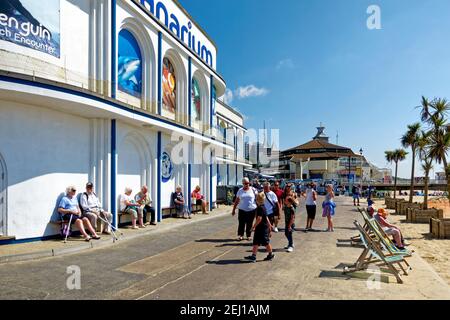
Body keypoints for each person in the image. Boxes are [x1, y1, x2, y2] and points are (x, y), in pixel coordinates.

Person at [244, 192, 274, 262]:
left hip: (262, 228)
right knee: (256, 242)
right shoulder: (263, 207)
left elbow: (259, 218)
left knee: (265, 242)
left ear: (257, 200)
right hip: (262, 227)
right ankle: (253, 256)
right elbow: (266, 217)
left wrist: (253, 227)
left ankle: (271, 254)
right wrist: (270, 226)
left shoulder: (260, 208)